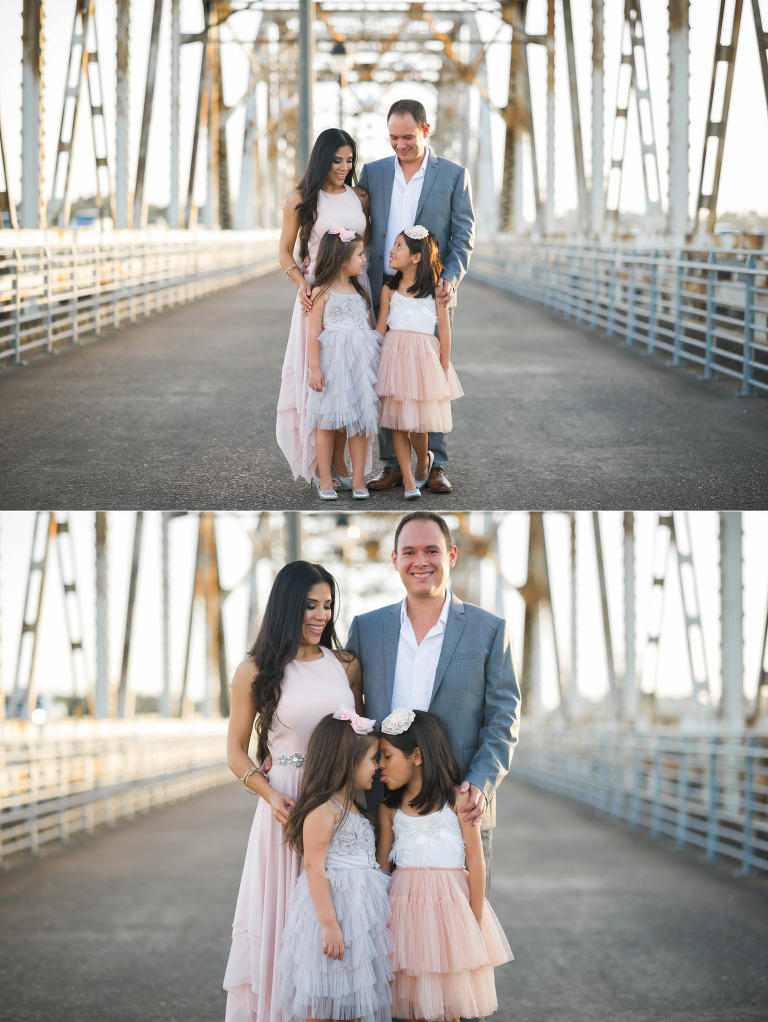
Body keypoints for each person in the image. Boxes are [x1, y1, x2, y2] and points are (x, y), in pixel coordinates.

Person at [223, 561, 363, 1022]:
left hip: (338, 804)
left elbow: (361, 735)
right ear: (287, 605)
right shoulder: (255, 670)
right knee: (284, 920)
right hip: (285, 805)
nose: (321, 615)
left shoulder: (346, 665)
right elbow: (235, 754)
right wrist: (269, 794)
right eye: (310, 605)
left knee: (335, 922)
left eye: (327, 605)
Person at [346, 511, 521, 870]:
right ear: (395, 561)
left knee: (461, 924)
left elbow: (503, 720)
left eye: (432, 550)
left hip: (459, 809)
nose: (420, 561)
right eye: (409, 552)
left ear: (451, 556)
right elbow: (347, 712)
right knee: (383, 922)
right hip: (382, 808)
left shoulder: (490, 630)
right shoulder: (366, 629)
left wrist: (480, 784)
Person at [359, 98, 475, 494]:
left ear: (426, 130)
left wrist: (451, 279)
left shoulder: (454, 175)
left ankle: (435, 464)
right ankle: (391, 464)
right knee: (387, 377)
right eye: (393, 138)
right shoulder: (372, 172)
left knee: (430, 379)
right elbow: (356, 225)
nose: (400, 145)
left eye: (407, 137)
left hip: (431, 291)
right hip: (383, 288)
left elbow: (464, 235)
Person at [376, 709, 513, 1022]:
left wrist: (475, 917)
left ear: (417, 756)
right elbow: (382, 870)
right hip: (404, 912)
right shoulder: (389, 808)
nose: (380, 764)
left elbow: (476, 861)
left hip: (451, 911)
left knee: (450, 1000)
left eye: (386, 755)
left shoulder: (459, 800)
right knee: (412, 1000)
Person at [276, 711, 393, 1022]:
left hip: (360, 915)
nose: (378, 766)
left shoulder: (355, 806)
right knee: (325, 999)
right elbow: (314, 868)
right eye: (373, 758)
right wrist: (329, 925)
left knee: (354, 1000)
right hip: (334, 913)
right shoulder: (323, 809)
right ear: (347, 761)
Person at [277, 128, 370, 489]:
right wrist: (302, 284)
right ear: (322, 159)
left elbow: (363, 244)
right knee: (323, 381)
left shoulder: (358, 196)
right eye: (337, 160)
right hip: (318, 296)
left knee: (350, 380)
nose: (344, 167)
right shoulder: (300, 199)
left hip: (356, 293)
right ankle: (325, 468)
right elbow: (284, 251)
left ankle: (341, 465)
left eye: (349, 160)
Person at [375, 226, 463, 498]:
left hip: (423, 360)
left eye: (399, 246)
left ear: (416, 257)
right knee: (398, 421)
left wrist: (444, 366)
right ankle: (410, 483)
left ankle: (424, 461)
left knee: (418, 423)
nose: (391, 250)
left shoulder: (436, 290)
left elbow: (444, 331)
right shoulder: (389, 289)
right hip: (394, 359)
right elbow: (380, 329)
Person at [305, 228, 381, 500]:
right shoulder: (322, 292)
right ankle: (325, 478)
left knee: (359, 424)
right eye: (360, 255)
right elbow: (313, 333)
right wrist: (315, 368)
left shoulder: (360, 292)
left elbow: (369, 329)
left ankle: (358, 479)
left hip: (359, 366)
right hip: (333, 365)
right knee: (326, 423)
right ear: (341, 259)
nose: (364, 260)